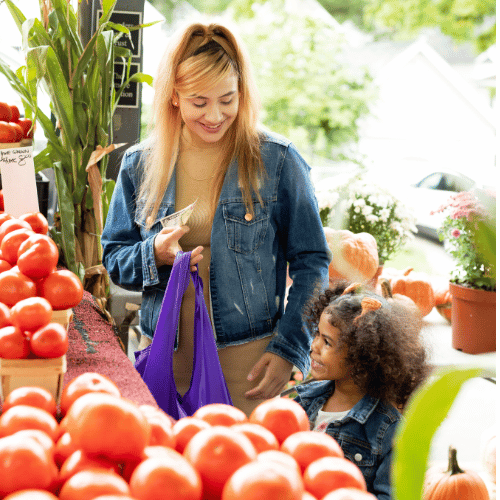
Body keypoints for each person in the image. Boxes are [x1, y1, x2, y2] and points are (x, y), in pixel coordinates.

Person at [101, 19, 330, 416]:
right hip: (163, 360)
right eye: (199, 102)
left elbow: (313, 263)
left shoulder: (278, 161)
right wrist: (153, 252)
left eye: (227, 99)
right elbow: (114, 258)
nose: (215, 115)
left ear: (242, 92)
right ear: (174, 96)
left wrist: (289, 349)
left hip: (249, 366)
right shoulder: (140, 164)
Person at [294, 281, 430, 499]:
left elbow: (392, 495)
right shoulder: (301, 402)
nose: (314, 346)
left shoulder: (388, 430)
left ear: (361, 356)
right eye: (317, 334)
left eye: (327, 342)